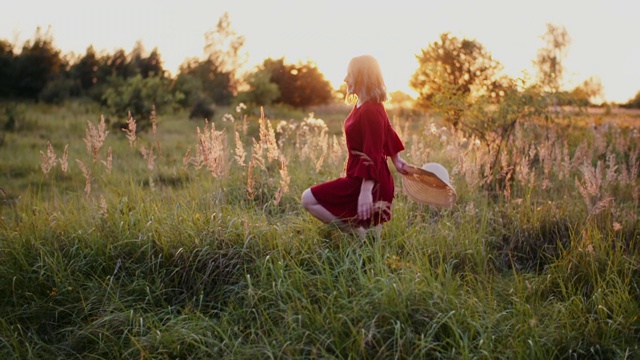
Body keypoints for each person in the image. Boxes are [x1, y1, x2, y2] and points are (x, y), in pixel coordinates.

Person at [301, 55, 409, 238]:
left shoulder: (369, 109)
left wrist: (366, 192)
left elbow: (372, 152)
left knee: (308, 199)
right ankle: (362, 237)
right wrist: (396, 159)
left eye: (349, 74)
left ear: (361, 76)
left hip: (368, 181)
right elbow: (388, 131)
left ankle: (357, 235)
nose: (345, 79)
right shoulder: (367, 104)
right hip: (365, 176)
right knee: (371, 239)